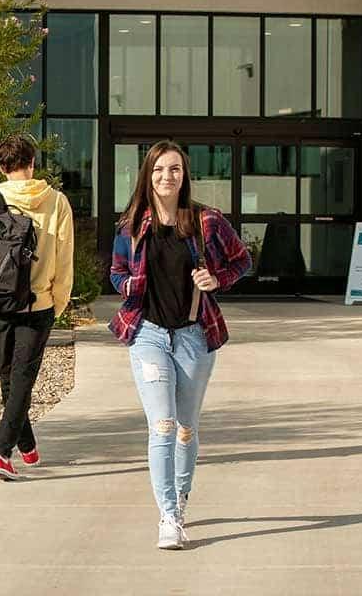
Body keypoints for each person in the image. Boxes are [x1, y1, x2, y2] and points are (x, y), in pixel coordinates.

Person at [108, 140, 251, 549]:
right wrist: (128, 284)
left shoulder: (206, 221)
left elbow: (242, 260)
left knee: (186, 428)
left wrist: (217, 280)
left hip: (193, 335)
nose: (166, 177)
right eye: (158, 170)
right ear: (147, 175)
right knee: (163, 425)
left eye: (174, 169)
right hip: (148, 333)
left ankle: (181, 499)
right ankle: (168, 517)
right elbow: (116, 272)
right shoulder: (132, 225)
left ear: (184, 174)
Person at [0, 134, 74, 481]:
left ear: (1, 167)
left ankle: (7, 450)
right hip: (37, 304)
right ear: (33, 163)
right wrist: (56, 303)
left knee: (9, 379)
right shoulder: (57, 202)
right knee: (21, 380)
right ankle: (12, 449)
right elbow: (64, 260)